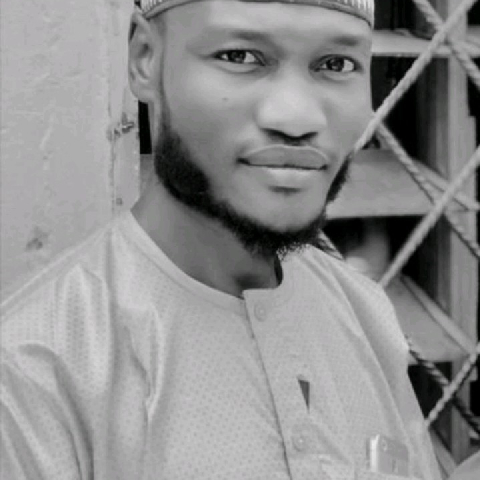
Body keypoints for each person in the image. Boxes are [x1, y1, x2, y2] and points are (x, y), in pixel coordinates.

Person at [0, 0, 443, 478]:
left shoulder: (364, 312)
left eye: (336, 64)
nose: (296, 119)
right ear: (145, 58)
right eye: (240, 56)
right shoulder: (35, 370)